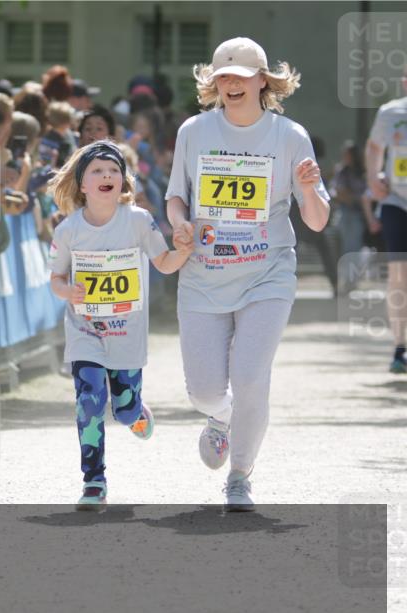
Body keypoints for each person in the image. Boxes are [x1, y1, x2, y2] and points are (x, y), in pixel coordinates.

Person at [165, 37, 329, 510]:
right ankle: (221, 416)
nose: (231, 83)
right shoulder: (194, 131)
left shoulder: (290, 136)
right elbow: (176, 197)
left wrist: (308, 190)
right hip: (204, 275)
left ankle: (239, 475)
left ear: (263, 81)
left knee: (251, 375)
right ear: (214, 83)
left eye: (240, 76)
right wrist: (179, 224)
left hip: (267, 275)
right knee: (204, 390)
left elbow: (317, 220)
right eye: (223, 76)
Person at [48, 141, 192, 509]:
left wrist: (184, 252)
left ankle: (135, 411)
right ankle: (93, 480)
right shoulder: (68, 230)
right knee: (90, 398)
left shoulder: (138, 221)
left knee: (124, 410)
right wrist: (68, 292)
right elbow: (56, 279)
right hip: (85, 332)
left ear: (124, 181)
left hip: (126, 333)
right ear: (82, 184)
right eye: (97, 170)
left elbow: (164, 263)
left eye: (114, 170)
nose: (107, 175)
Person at [365, 68, 407, 374]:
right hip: (396, 201)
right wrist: (372, 177)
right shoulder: (390, 112)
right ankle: (400, 348)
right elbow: (374, 147)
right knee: (399, 274)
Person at [331, 141, 380, 293]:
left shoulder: (362, 171)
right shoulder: (342, 171)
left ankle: (352, 280)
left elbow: (367, 193)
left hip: (361, 215)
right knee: (347, 249)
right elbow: (338, 192)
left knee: (355, 249)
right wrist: (353, 198)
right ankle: (348, 281)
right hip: (346, 215)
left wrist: (353, 198)